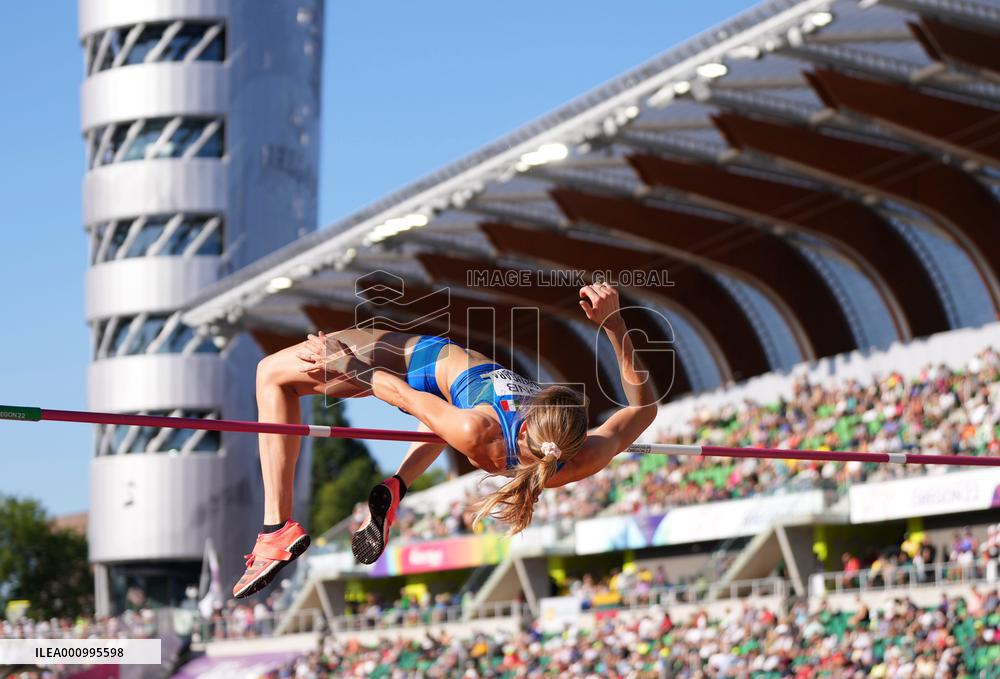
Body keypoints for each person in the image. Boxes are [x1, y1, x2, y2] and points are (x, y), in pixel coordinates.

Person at [232, 283, 658, 597]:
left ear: (528, 423)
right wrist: (615, 325)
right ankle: (396, 486)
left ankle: (276, 528)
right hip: (454, 410)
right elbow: (644, 409)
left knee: (271, 374)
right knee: (444, 418)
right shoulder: (579, 459)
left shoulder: (478, 429)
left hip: (424, 365)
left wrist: (350, 363)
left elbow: (403, 394)